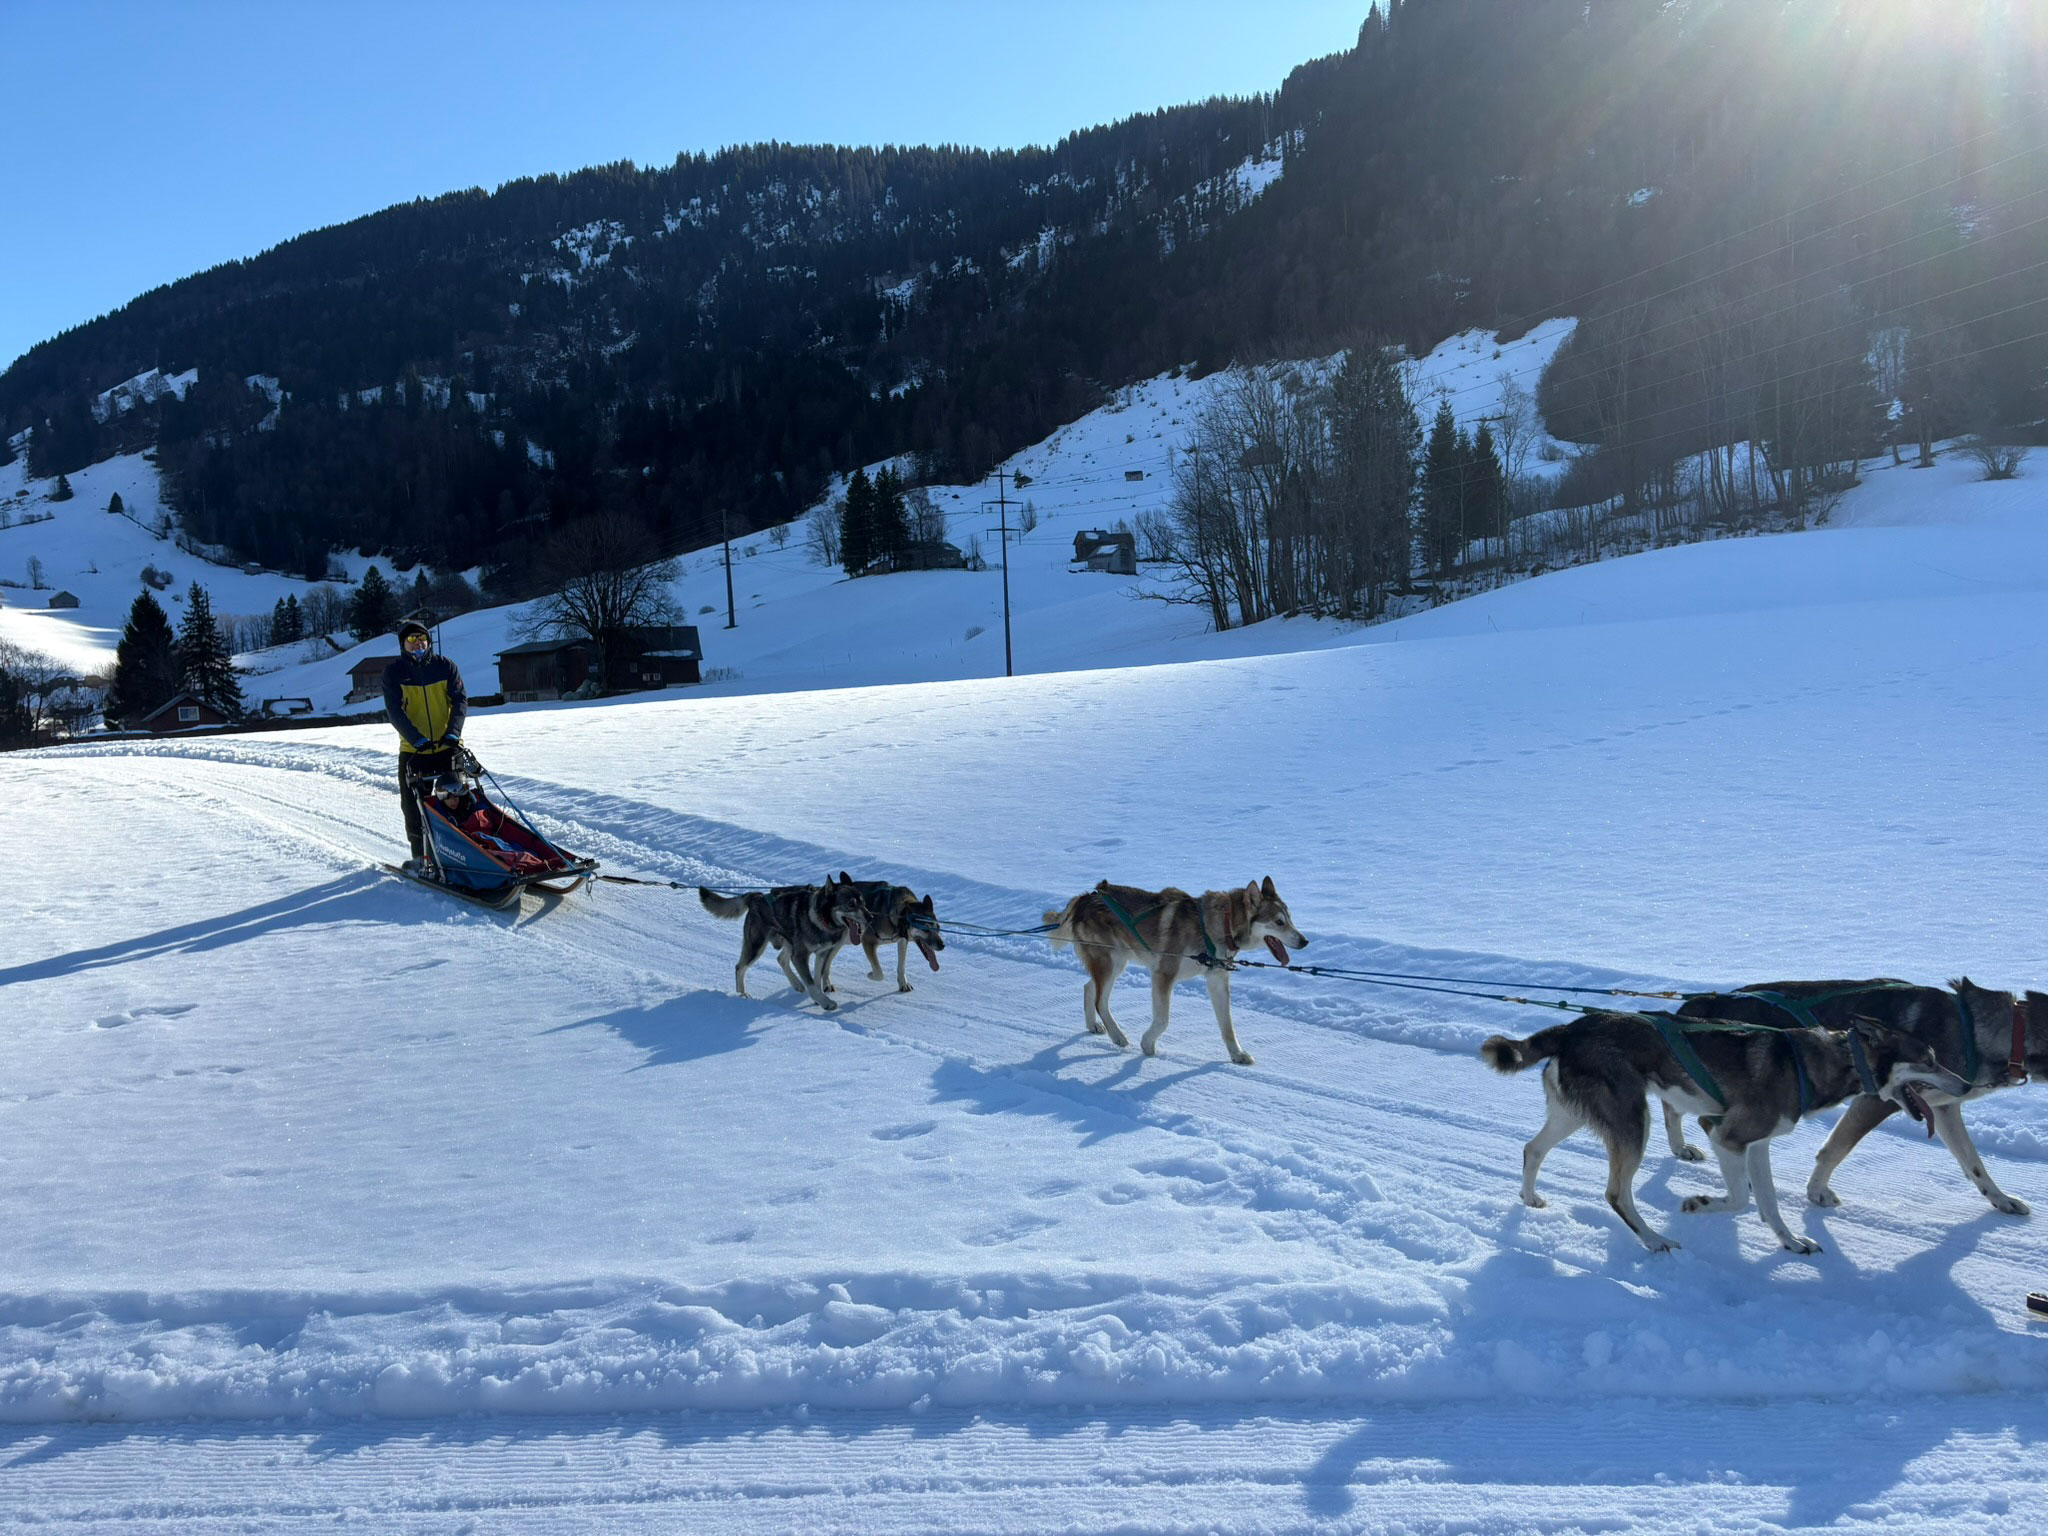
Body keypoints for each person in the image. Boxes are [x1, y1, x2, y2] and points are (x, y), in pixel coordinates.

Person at [382, 619, 467, 868]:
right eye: (411, 639)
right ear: (403, 644)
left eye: (422, 639)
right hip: (414, 751)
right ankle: (421, 857)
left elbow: (460, 701)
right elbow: (395, 711)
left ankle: (464, 852)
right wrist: (415, 738)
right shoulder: (394, 672)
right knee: (413, 806)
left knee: (457, 802)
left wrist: (453, 733)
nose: (418, 643)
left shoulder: (445, 666)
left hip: (447, 747)